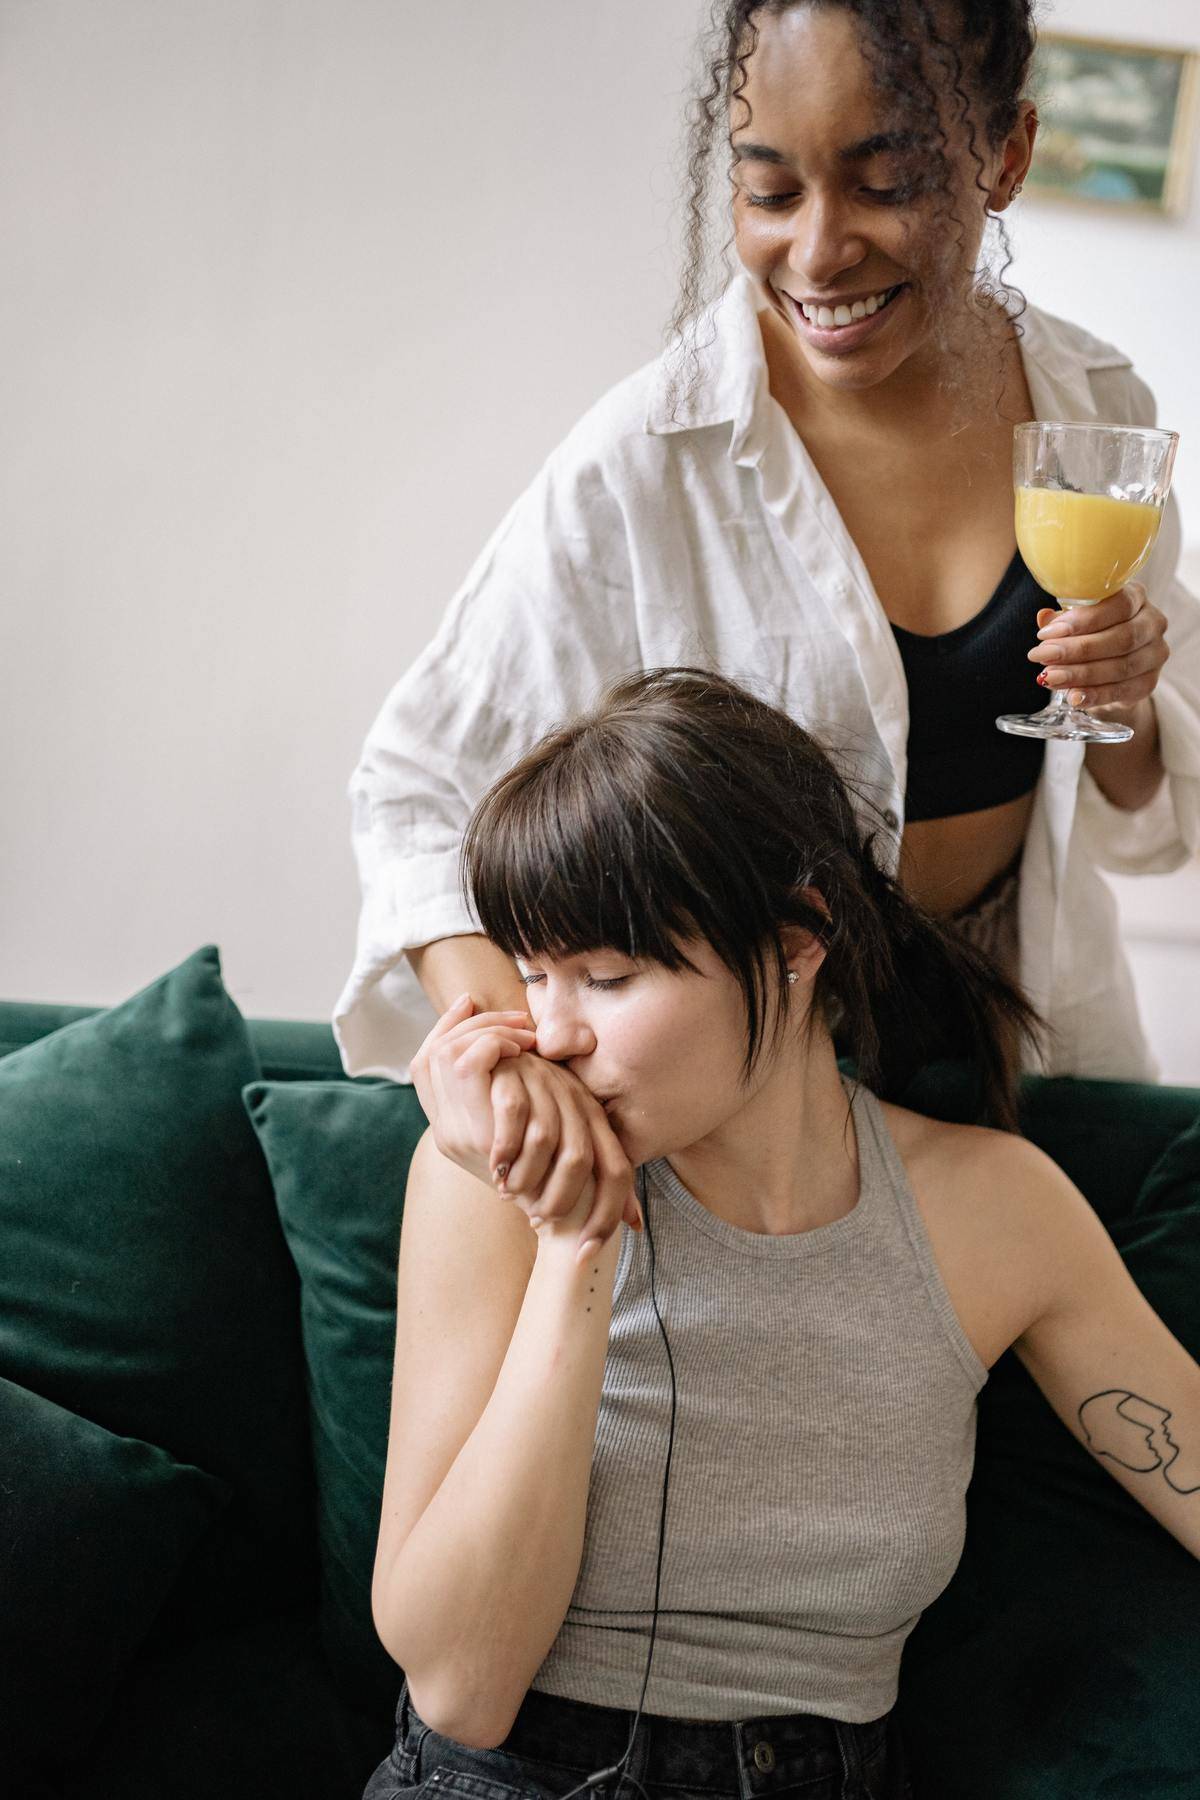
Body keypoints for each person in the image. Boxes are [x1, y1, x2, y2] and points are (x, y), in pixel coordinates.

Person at [336, 0, 1200, 1239]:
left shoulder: (1097, 406)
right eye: (771, 193)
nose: (819, 249)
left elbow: (1142, 813)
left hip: (1037, 1057)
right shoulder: (650, 457)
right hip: (761, 1110)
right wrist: (512, 1055)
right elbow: (415, 790)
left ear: (1005, 155)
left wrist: (1124, 708)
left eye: (885, 182)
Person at [363, 668, 1200, 1800]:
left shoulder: (995, 1210)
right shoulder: (487, 1182)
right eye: (530, 974)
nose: (553, 1034)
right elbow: (461, 1690)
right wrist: (574, 1246)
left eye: (606, 978)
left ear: (799, 939)